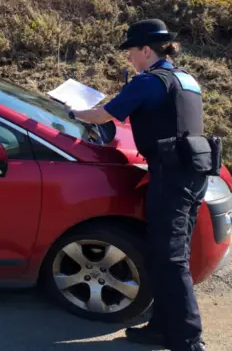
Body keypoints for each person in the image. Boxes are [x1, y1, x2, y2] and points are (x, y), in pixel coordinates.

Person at [67, 19, 209, 351]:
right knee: (168, 256)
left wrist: (72, 114)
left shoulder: (148, 81)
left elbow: (105, 116)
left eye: (132, 51)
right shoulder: (185, 78)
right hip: (194, 172)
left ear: (147, 50)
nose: (130, 58)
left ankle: (188, 341)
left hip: (172, 177)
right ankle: (161, 327)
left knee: (170, 260)